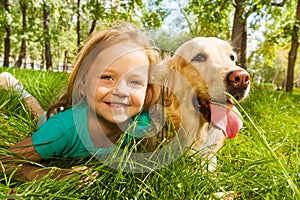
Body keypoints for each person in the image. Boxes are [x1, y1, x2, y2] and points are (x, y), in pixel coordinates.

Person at [0, 22, 161, 181]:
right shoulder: (61, 131)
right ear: (83, 85)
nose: (121, 91)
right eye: (107, 77)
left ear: (147, 92)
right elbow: (5, 161)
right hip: (57, 122)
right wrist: (55, 176)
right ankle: (17, 88)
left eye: (134, 82)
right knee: (39, 113)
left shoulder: (143, 122)